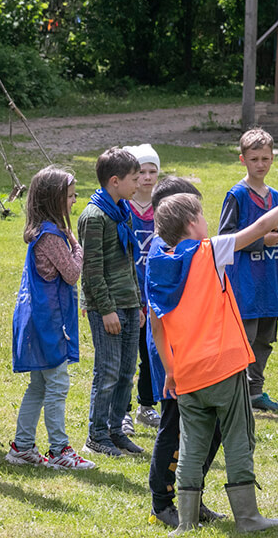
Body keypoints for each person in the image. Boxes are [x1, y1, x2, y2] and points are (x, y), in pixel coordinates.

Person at [149, 182, 278, 534]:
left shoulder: (157, 266)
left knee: (192, 445)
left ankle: (185, 522)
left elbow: (157, 326)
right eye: (202, 214)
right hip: (224, 368)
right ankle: (247, 517)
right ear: (192, 223)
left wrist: (169, 369)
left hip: (186, 372)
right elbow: (258, 229)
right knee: (239, 438)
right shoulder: (209, 252)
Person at [145, 177, 225, 529]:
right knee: (175, 425)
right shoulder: (162, 255)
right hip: (175, 356)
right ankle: (163, 501)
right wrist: (170, 367)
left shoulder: (192, 248)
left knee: (214, 424)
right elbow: (159, 320)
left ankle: (192, 495)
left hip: (199, 350)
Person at [6, 165, 96, 470]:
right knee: (56, 385)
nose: (74, 201)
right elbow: (71, 274)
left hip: (39, 320)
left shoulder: (45, 233)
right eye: (70, 196)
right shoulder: (52, 238)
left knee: (39, 386)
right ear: (52, 200)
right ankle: (59, 450)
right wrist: (78, 247)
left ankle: (22, 446)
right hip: (48, 323)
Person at [218, 128, 278, 412]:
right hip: (245, 281)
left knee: (264, 339)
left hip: (270, 280)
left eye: (265, 158)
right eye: (254, 159)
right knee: (243, 340)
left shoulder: (275, 195)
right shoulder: (236, 195)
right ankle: (235, 393)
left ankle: (255, 391)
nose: (260, 164)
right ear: (243, 160)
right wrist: (259, 240)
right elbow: (226, 237)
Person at [78, 147, 144, 457]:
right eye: (135, 178)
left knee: (126, 370)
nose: (140, 183)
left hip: (129, 303)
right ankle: (97, 434)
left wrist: (139, 302)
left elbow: (131, 262)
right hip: (107, 307)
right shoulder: (94, 217)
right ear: (114, 181)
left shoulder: (123, 211)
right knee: (107, 370)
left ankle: (117, 430)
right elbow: (91, 271)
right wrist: (106, 310)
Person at [121, 144, 162, 433]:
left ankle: (146, 406)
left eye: (152, 171)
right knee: (127, 353)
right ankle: (122, 410)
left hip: (155, 292)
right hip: (129, 292)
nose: (147, 177)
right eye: (141, 171)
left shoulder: (163, 208)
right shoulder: (125, 209)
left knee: (151, 352)